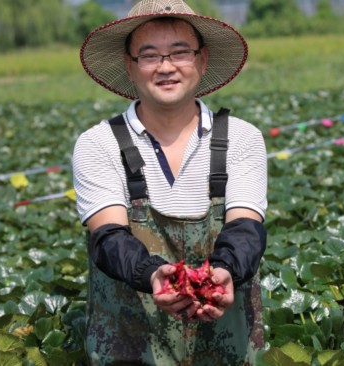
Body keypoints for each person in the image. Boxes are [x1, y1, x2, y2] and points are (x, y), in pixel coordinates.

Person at [73, 0, 267, 364]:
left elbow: (245, 229)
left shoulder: (242, 138)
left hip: (226, 345)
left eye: (180, 53)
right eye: (149, 56)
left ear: (202, 60)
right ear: (129, 67)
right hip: (130, 348)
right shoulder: (98, 143)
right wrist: (153, 275)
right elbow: (109, 238)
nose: (166, 67)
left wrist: (223, 272)